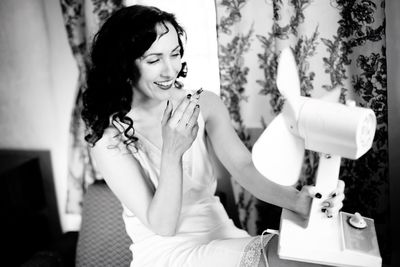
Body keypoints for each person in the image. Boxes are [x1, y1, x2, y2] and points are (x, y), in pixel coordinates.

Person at [82, 5, 345, 267]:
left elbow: (243, 168)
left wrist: (298, 201)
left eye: (174, 54)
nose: (169, 70)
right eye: (154, 60)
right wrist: (172, 153)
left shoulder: (204, 103)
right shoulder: (109, 140)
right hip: (167, 251)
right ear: (124, 65)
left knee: (314, 256)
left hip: (221, 232)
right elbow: (162, 225)